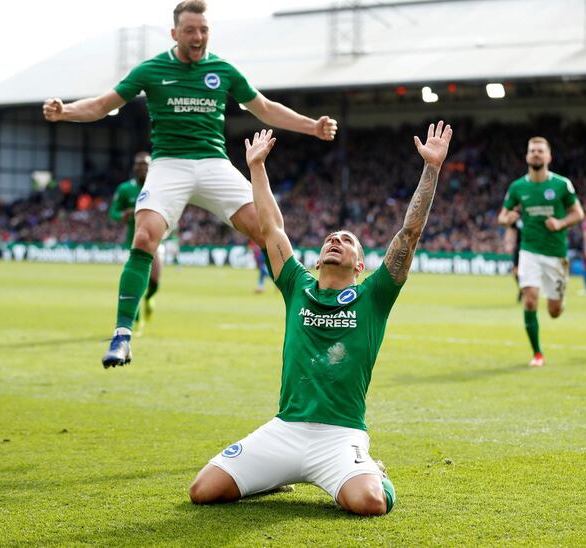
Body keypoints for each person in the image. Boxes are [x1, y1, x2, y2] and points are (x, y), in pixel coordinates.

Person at [42, 0, 338, 368]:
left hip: (214, 164)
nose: (198, 37)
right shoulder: (152, 70)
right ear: (175, 34)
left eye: (203, 30)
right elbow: (103, 105)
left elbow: (263, 107)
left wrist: (312, 125)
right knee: (144, 236)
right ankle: (122, 335)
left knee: (270, 231)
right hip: (169, 165)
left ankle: (309, 319)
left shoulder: (222, 70)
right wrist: (65, 111)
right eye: (190, 31)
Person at [189, 122, 452, 516]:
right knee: (203, 490)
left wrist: (430, 169)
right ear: (317, 257)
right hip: (285, 429)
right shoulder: (296, 284)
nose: (336, 240)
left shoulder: (375, 295)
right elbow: (271, 227)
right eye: (332, 237)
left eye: (347, 240)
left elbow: (409, 233)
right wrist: (256, 167)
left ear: (360, 263)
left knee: (370, 503)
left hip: (339, 435)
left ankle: (373, 471)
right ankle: (275, 476)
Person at [498, 137, 584, 367]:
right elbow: (502, 216)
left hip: (556, 253)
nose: (536, 154)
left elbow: (579, 213)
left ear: (548, 157)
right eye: (532, 151)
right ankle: (537, 353)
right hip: (529, 251)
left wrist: (561, 223)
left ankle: (559, 300)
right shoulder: (517, 187)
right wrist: (509, 218)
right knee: (530, 300)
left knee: (554, 311)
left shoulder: (561, 184)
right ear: (527, 156)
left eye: (540, 151)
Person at [109, 152, 161, 334]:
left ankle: (150, 298)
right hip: (133, 241)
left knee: (155, 280)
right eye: (139, 165)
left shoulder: (159, 186)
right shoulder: (125, 189)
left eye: (145, 165)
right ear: (134, 168)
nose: (142, 168)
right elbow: (113, 212)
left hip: (157, 238)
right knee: (138, 279)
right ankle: (134, 319)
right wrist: (123, 215)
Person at [503, 219, 523, 302]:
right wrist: (508, 243)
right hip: (519, 247)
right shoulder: (517, 217)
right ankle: (522, 288)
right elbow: (511, 230)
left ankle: (526, 289)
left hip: (531, 248)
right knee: (515, 272)